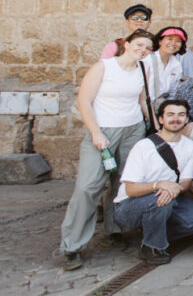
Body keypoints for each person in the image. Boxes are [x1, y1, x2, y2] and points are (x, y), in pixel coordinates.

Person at [59, 29, 155, 271]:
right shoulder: (104, 67)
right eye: (139, 45)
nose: (142, 50)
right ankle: (72, 245)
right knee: (88, 186)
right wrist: (95, 132)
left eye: (147, 48)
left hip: (132, 130)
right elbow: (84, 101)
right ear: (127, 43)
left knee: (122, 183)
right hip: (103, 131)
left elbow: (143, 100)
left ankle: (115, 230)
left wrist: (155, 124)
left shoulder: (143, 69)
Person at [112, 100, 193, 265]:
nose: (175, 119)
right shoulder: (143, 146)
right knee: (159, 200)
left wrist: (173, 189)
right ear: (161, 120)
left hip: (168, 197)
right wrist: (159, 185)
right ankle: (152, 247)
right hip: (129, 206)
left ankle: (152, 232)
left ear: (186, 120)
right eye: (170, 115)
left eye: (181, 115)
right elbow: (130, 189)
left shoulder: (191, 146)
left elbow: (186, 181)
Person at [145, 26, 187, 103]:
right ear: (160, 41)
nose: (173, 43)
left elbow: (173, 93)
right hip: (144, 106)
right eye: (169, 39)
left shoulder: (176, 65)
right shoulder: (147, 60)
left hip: (162, 107)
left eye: (178, 41)